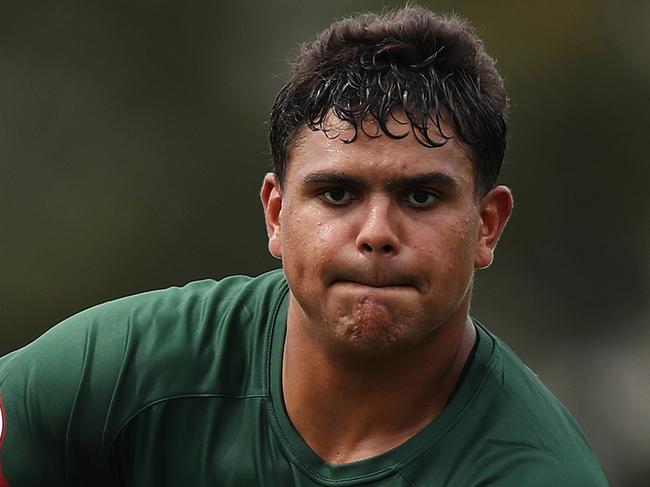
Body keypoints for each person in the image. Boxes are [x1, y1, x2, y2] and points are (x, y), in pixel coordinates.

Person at [0, 6, 608, 486]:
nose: (376, 232)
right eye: (338, 193)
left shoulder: (534, 471)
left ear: (487, 226)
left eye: (420, 197)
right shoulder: (133, 371)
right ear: (277, 212)